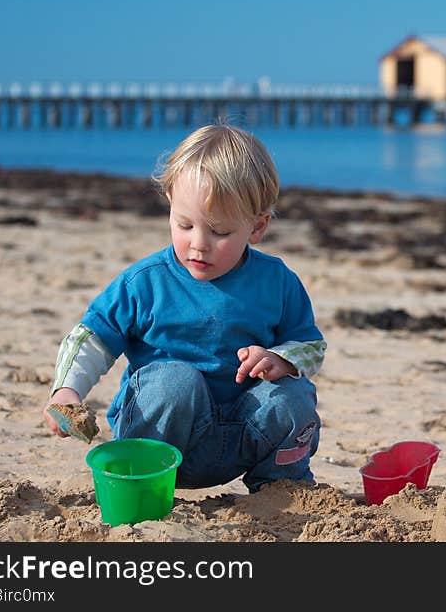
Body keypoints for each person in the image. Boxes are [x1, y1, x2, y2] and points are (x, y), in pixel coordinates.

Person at [42, 123, 326, 493]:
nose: (199, 244)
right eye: (185, 224)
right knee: (176, 382)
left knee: (293, 395)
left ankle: (280, 489)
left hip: (242, 434)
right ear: (169, 207)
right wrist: (66, 390)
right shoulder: (146, 282)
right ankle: (139, 482)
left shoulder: (277, 282)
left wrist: (281, 359)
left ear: (257, 227)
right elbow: (92, 337)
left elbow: (311, 345)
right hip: (160, 440)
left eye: (219, 232)